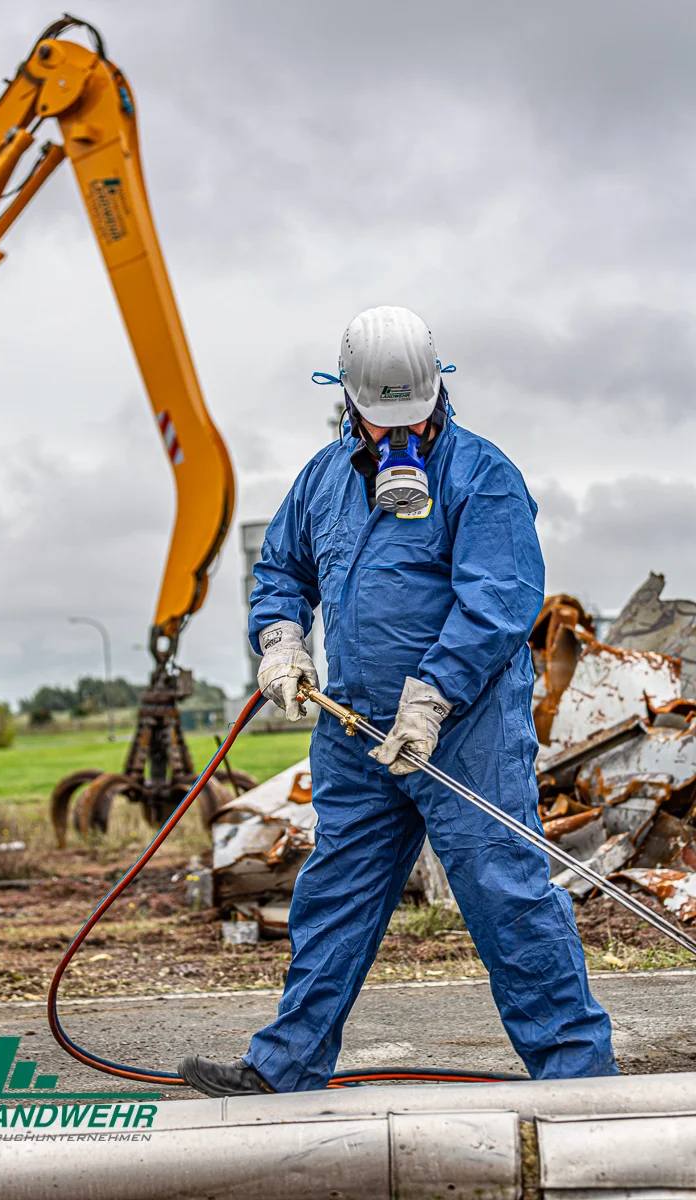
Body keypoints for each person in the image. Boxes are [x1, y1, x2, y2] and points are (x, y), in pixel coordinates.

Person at [180, 305, 616, 1096]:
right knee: (334, 899)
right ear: (348, 405)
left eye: (410, 419)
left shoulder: (481, 475)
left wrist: (432, 697)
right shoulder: (321, 480)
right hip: (356, 732)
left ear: (437, 395)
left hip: (465, 731)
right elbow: (281, 571)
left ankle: (580, 1080)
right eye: (379, 425)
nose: (395, 440)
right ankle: (285, 1068)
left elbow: (499, 600)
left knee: (506, 896)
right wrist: (280, 641)